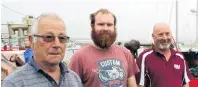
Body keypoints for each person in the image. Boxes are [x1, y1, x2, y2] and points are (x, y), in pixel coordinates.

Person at [2, 13, 83, 87]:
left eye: (62, 38)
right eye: (48, 37)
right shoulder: (14, 83)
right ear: (31, 41)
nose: (57, 44)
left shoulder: (74, 79)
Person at [69, 8, 139, 87]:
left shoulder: (126, 54)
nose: (105, 28)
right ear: (93, 26)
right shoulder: (79, 57)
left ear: (114, 27)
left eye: (109, 25)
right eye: (101, 24)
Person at [135, 23, 192, 87]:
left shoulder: (180, 57)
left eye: (167, 34)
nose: (165, 38)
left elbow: (185, 83)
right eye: (160, 35)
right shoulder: (144, 57)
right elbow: (139, 85)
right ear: (153, 36)